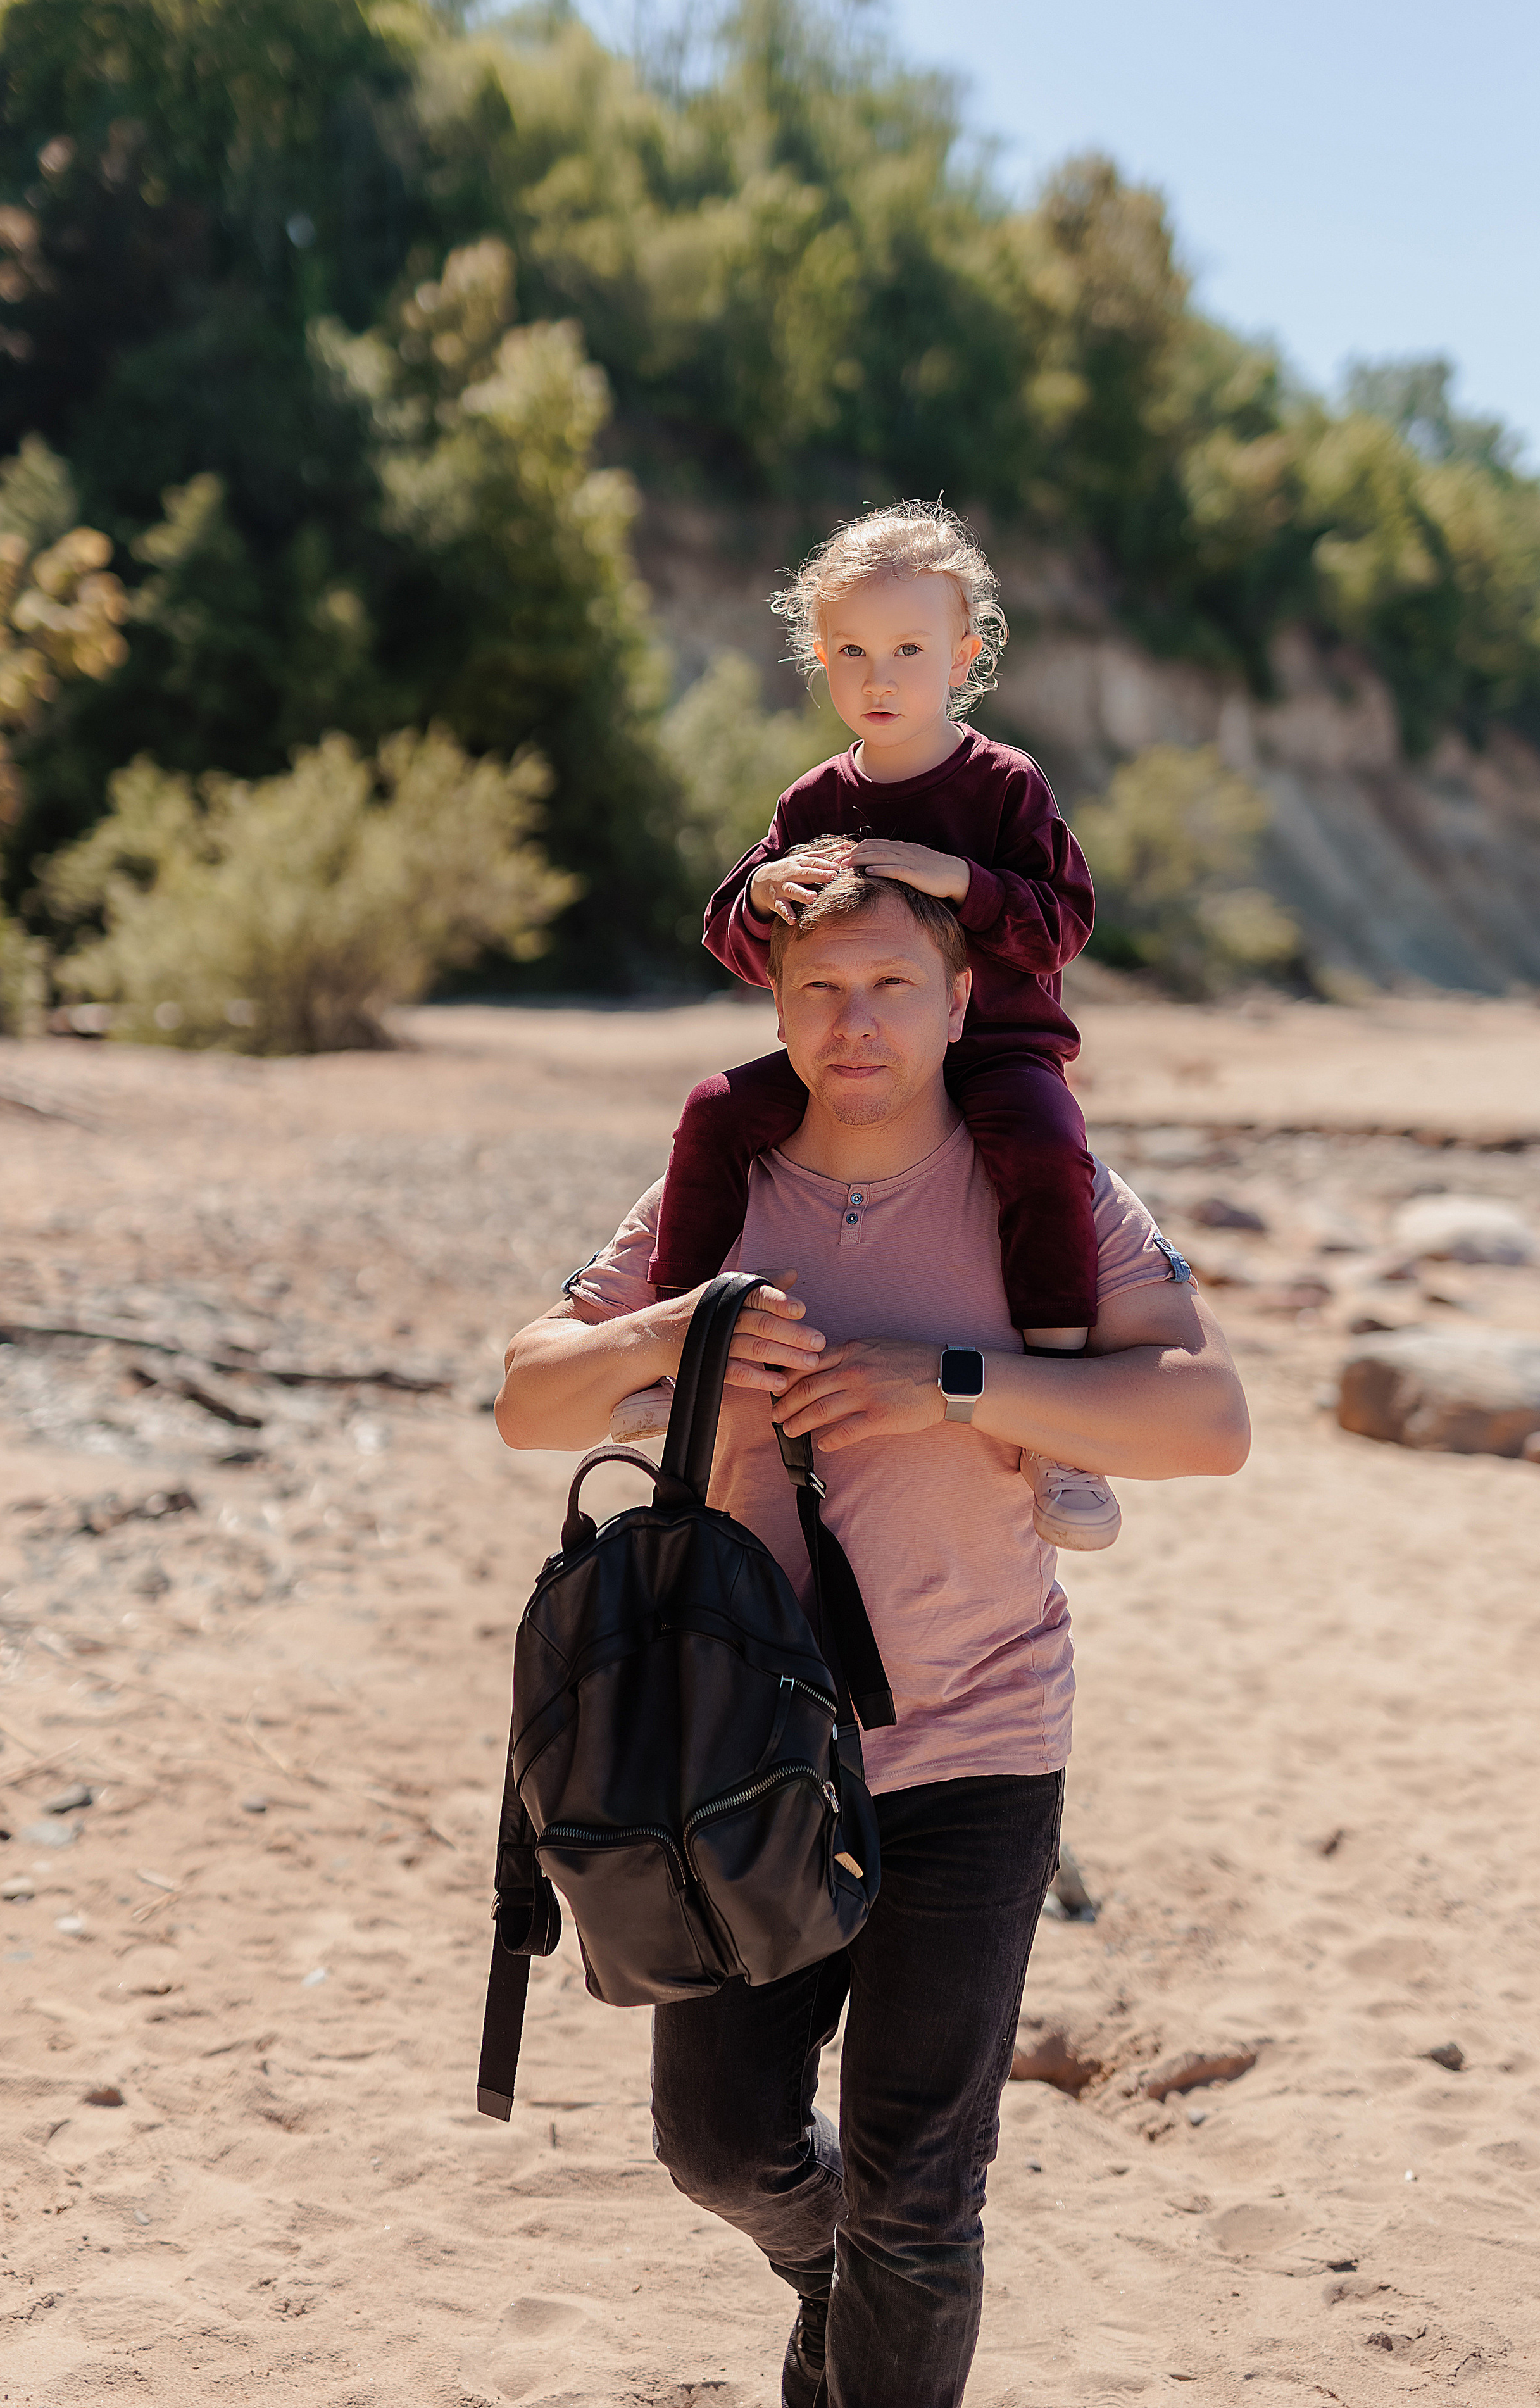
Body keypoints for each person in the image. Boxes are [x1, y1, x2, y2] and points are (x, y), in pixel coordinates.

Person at [494, 865, 1250, 2408]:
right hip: (739, 1756)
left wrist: (951, 1380)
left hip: (976, 1739)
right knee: (714, 2142)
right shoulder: (715, 1195)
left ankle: (878, 2309)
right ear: (776, 1007)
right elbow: (526, 1394)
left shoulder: (1048, 1195)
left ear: (962, 1002)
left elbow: (1207, 1418)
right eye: (820, 989)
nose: (855, 1021)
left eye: (893, 986)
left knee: (919, 2187)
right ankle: (826, 2277)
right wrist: (671, 1325)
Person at [649, 499, 1117, 1550]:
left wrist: (961, 880)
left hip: (994, 1052)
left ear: (964, 654)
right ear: (818, 657)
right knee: (717, 1108)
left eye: (909, 648)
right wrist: (767, 893)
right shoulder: (812, 802)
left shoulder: (1004, 786)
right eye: (852, 651)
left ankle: (1060, 1428)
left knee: (1044, 1147)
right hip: (846, 1058)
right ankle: (666, 1348)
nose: (881, 676)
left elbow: (1064, 926)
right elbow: (733, 938)